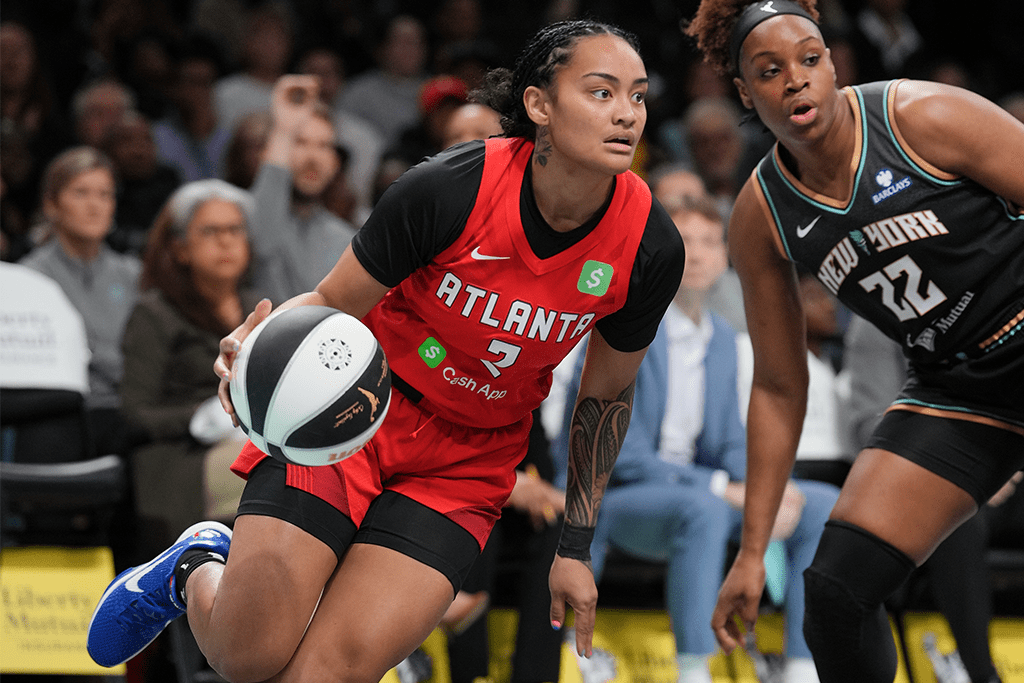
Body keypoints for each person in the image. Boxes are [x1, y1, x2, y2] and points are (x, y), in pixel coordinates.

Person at [86, 19, 685, 681]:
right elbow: (331, 299)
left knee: (322, 676)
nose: (627, 113)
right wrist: (256, 347)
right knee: (245, 655)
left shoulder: (650, 245)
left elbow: (603, 400)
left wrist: (575, 543)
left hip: (468, 462)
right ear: (540, 105)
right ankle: (196, 562)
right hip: (358, 413)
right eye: (601, 92)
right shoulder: (452, 187)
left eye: (638, 95)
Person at [684, 2, 1024, 681]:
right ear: (746, 94)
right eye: (770, 71)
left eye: (810, 59)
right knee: (835, 595)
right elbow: (780, 387)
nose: (797, 81)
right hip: (959, 388)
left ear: (834, 64)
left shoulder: (923, 116)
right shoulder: (761, 214)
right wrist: (752, 551)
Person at [555, 193, 837, 683]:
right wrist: (716, 488)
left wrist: (767, 487)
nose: (701, 253)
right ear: (658, 250)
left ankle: (800, 663)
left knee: (818, 504)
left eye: (711, 242)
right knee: (703, 509)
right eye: (686, 240)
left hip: (689, 490)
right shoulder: (622, 327)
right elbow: (620, 455)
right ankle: (693, 669)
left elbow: (729, 441)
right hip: (615, 498)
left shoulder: (724, 337)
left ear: (725, 257)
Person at [843, 315, 1016, 683]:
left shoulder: (994, 299)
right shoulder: (875, 320)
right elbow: (867, 423)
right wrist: (968, 464)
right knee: (953, 522)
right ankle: (981, 674)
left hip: (1005, 467)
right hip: (928, 476)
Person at [120, 179, 258, 555]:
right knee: (276, 472)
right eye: (210, 231)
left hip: (253, 441)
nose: (226, 241)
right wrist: (203, 418)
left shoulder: (258, 307)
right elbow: (135, 415)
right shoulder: (154, 313)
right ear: (180, 248)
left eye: (234, 230)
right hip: (180, 460)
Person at [18, 146, 141, 458]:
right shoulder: (30, 278)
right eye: (81, 193)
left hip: (129, 408)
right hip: (67, 412)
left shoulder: (133, 273)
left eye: (105, 194)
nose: (94, 206)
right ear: (52, 204)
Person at [246, 74, 357, 305]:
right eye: (300, 142)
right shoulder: (239, 216)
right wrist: (284, 130)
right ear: (270, 151)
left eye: (324, 146)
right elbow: (260, 242)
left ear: (335, 162)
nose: (312, 157)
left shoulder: (347, 240)